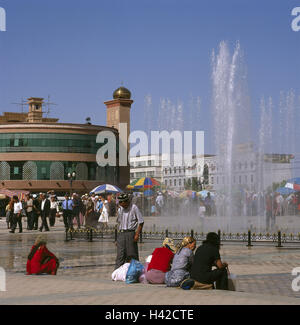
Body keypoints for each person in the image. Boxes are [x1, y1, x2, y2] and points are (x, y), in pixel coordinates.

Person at [115, 193, 144, 270]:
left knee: (131, 254)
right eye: (121, 204)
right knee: (120, 255)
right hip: (121, 233)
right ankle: (117, 272)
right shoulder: (120, 209)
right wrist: (117, 239)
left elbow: (141, 222)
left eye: (124, 204)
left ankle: (133, 272)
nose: (122, 205)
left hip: (130, 233)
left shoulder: (134, 208)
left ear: (127, 201)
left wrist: (137, 235)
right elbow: (119, 224)